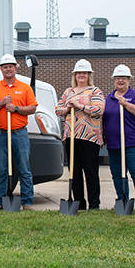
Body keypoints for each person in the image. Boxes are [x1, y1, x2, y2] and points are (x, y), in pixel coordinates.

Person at [0, 54, 38, 211]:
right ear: (1, 69)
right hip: (1, 133)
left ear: (16, 68)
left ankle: (27, 202)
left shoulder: (25, 87)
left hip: (19, 133)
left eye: (10, 66)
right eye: (5, 66)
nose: (8, 69)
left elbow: (33, 108)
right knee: (1, 169)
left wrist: (16, 109)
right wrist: (1, 103)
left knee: (24, 169)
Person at [55, 58, 105, 210]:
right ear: (74, 75)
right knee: (74, 171)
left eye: (84, 73)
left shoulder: (95, 91)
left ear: (89, 75)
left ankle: (94, 204)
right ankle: (79, 203)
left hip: (89, 137)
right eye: (78, 73)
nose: (81, 75)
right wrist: (66, 108)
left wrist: (78, 105)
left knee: (90, 171)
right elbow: (58, 110)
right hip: (71, 136)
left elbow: (99, 110)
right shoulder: (68, 92)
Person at [102, 65, 135, 209]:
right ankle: (122, 200)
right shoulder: (109, 98)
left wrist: (126, 104)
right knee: (118, 174)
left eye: (123, 78)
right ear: (114, 80)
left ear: (129, 80)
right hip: (114, 144)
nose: (120, 81)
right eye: (117, 78)